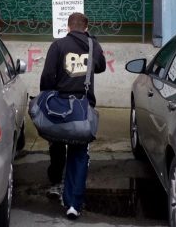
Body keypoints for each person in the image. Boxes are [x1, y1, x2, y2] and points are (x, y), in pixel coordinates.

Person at [39, 12, 106, 220]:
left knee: (57, 144)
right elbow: (101, 67)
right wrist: (91, 42)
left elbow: (48, 77)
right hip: (82, 108)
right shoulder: (93, 46)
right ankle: (73, 204)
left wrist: (47, 99)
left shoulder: (57, 46)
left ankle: (56, 183)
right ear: (86, 28)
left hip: (59, 106)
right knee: (79, 155)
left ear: (68, 27)